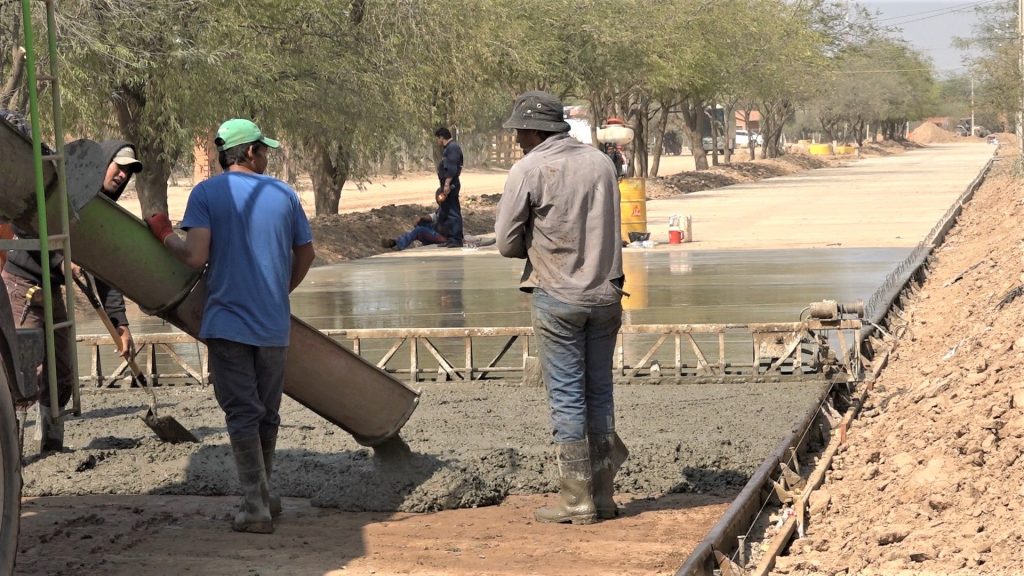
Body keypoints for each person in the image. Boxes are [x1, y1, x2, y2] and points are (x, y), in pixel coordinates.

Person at [144, 118, 315, 534]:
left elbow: (193, 257)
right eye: (264, 149)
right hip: (273, 324)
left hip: (227, 323)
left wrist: (164, 232)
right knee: (266, 413)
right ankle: (264, 495)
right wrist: (278, 290)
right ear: (249, 153)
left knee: (241, 411)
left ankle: (255, 504)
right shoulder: (284, 194)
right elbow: (306, 255)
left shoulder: (206, 193)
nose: (267, 155)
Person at [495, 91, 629, 525]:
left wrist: (535, 245)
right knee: (600, 393)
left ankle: (576, 501)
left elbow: (506, 242)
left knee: (568, 398)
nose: (517, 139)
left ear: (536, 130)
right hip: (606, 294)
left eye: (520, 131)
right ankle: (604, 496)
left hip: (558, 297)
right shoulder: (601, 163)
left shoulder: (529, 169)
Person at [1, 113, 140, 454]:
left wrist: (121, 324)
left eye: (129, 171)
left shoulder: (104, 214)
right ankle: (13, 450)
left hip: (51, 290)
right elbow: (26, 224)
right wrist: (61, 254)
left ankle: (51, 441)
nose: (122, 175)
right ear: (103, 163)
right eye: (118, 166)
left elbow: (106, 273)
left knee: (62, 373)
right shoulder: (59, 187)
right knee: (26, 369)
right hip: (22, 283)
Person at [381, 188, 457, 251]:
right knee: (421, 223)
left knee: (419, 230)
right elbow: (432, 217)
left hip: (445, 237)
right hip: (440, 233)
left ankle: (398, 244)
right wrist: (421, 219)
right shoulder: (441, 209)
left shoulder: (450, 210)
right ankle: (401, 241)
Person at [434, 126, 464, 247]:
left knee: (453, 211)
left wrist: (447, 184)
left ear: (442, 137)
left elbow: (452, 167)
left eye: (438, 138)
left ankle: (456, 239)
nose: (437, 141)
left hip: (450, 185)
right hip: (447, 184)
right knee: (446, 211)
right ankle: (450, 238)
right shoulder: (449, 148)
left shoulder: (452, 148)